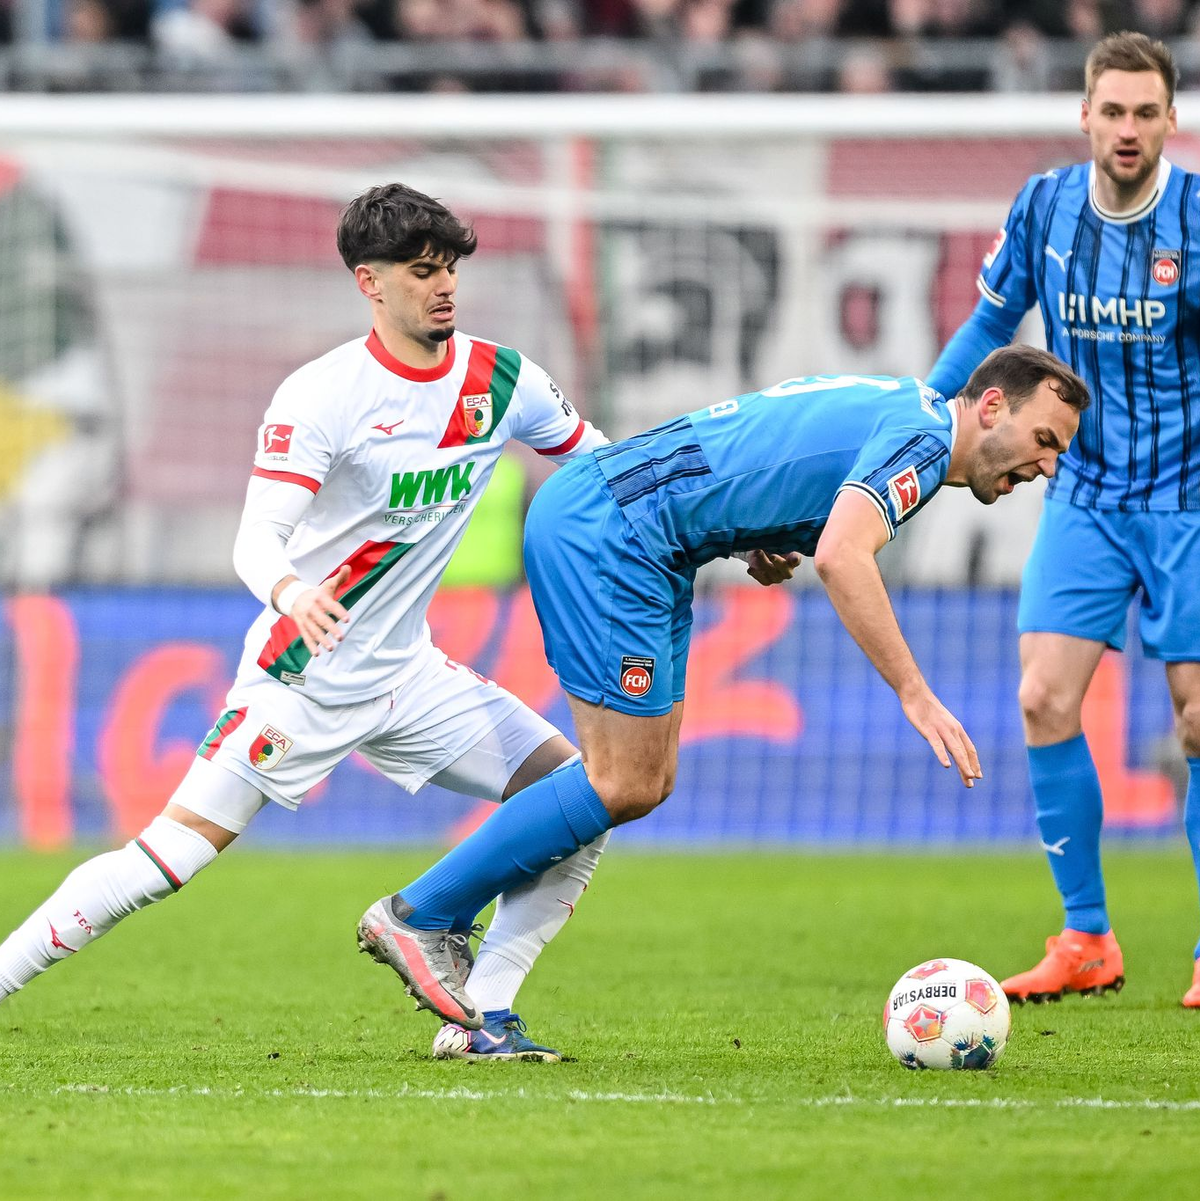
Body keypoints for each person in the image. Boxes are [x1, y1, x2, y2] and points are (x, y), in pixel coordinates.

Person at [0, 183, 617, 1063]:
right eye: (419, 271)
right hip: (306, 675)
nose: (442, 288)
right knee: (166, 856)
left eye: (449, 270)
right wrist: (291, 590)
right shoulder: (324, 393)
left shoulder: (503, 380)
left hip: (409, 675)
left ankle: (480, 1019)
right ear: (369, 281)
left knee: (582, 802)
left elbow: (611, 468)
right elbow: (258, 536)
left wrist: (735, 535)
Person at [353, 345, 1090, 1032]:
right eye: (1046, 440)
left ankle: (479, 1006)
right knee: (622, 778)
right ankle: (424, 912)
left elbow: (764, 433)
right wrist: (914, 691)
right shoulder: (926, 442)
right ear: (991, 406)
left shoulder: (904, 404)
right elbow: (842, 555)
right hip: (615, 533)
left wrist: (747, 526)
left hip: (642, 534)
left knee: (643, 781)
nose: (1047, 466)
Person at [925, 31, 1200, 1009]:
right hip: (1081, 492)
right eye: (1111, 110)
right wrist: (923, 413)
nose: (1127, 129)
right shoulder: (1043, 207)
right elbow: (990, 327)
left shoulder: (1197, 223)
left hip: (1187, 500)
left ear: (1172, 120)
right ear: (1085, 115)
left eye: (1145, 112)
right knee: (1043, 698)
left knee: (1199, 718)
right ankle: (1087, 935)